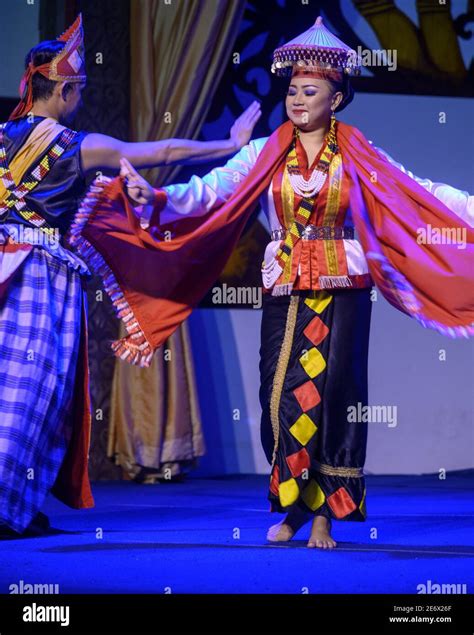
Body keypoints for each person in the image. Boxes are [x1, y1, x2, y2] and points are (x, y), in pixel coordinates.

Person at [74, 16, 473, 549]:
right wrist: (158, 199)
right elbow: (214, 188)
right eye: (292, 89)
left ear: (336, 99)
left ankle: (327, 513)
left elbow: (416, 192)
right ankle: (292, 503)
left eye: (311, 90)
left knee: (335, 395)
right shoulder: (267, 152)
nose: (297, 98)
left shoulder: (356, 154)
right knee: (278, 393)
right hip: (286, 282)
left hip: (343, 285)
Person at [0, 14, 261, 537]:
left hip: (5, 264)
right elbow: (159, 153)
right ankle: (7, 507)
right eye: (80, 89)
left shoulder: (5, 135)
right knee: (31, 391)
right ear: (67, 89)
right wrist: (229, 146)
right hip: (40, 274)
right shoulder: (73, 145)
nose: (82, 98)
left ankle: (18, 503)